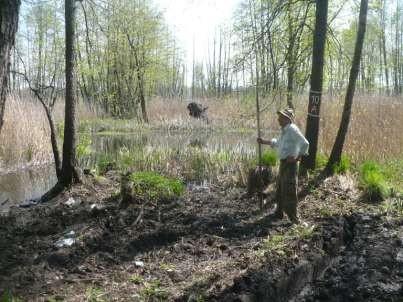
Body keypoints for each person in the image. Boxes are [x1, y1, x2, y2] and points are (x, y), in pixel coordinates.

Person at [257, 108, 309, 224]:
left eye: (281, 117)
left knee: (289, 190)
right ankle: (278, 213)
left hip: (291, 165)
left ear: (287, 119)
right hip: (283, 163)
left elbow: (305, 144)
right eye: (279, 116)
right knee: (280, 188)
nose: (278, 119)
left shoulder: (292, 129)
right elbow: (278, 143)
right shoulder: (285, 130)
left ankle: (294, 219)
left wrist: (297, 157)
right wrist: (264, 141)